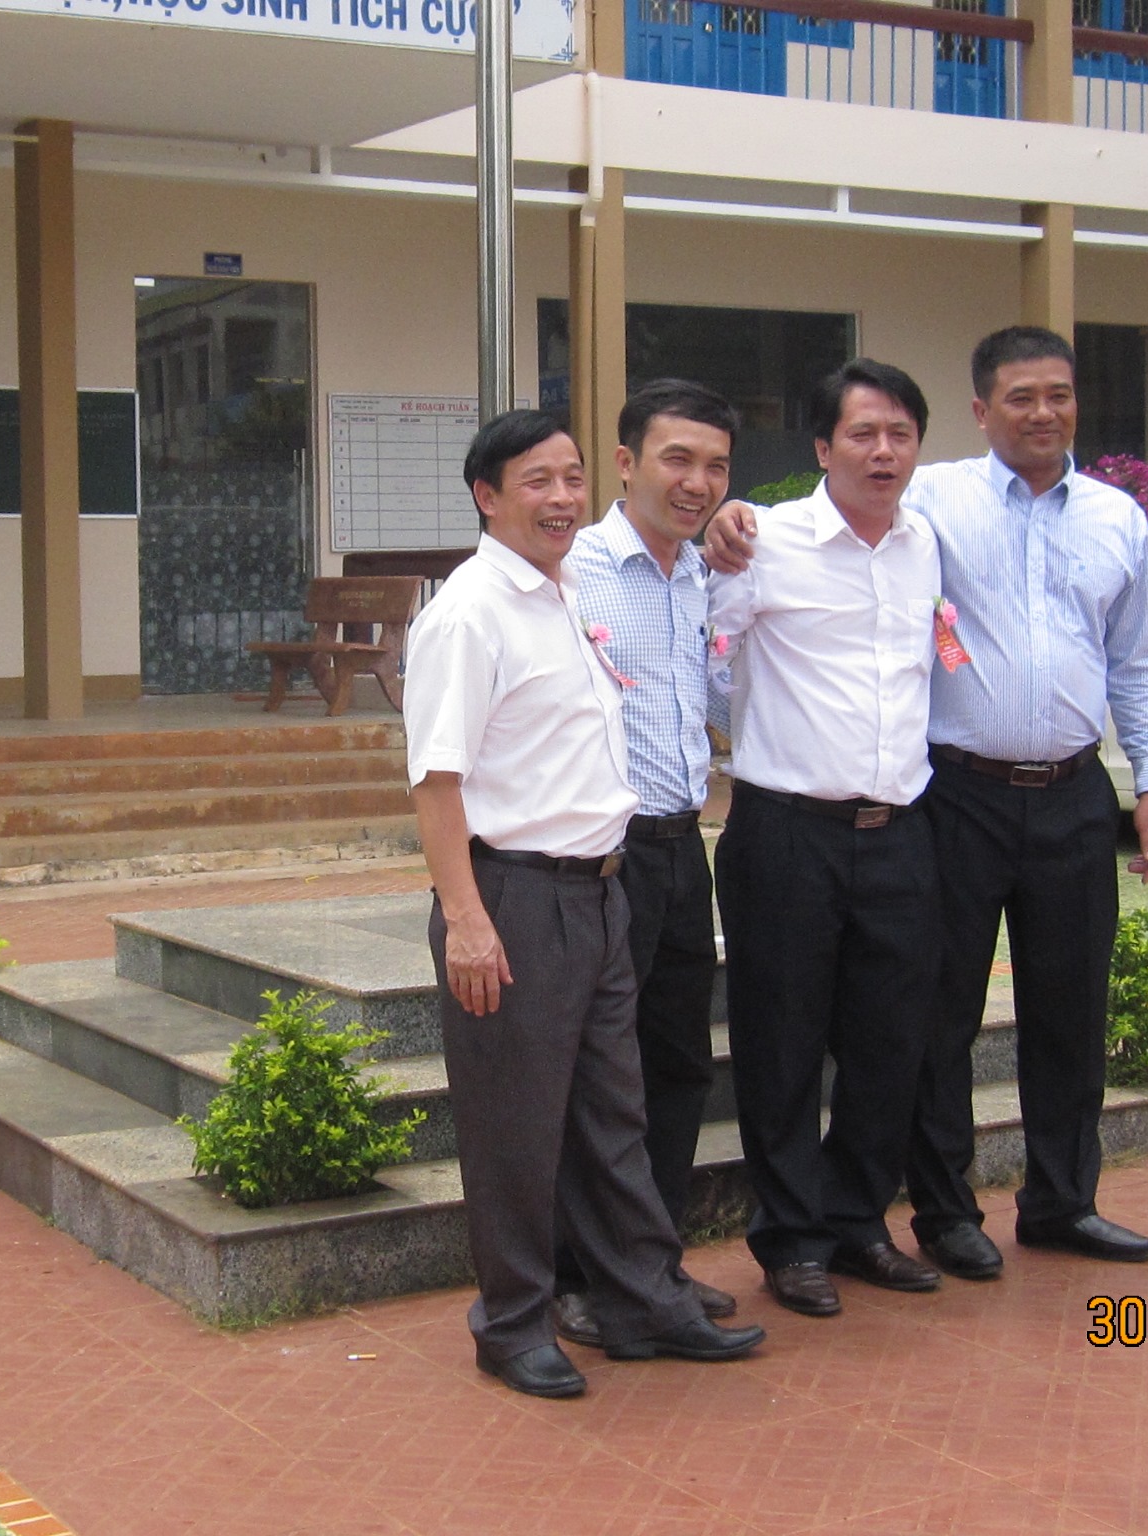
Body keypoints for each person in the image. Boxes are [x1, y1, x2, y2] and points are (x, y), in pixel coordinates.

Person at [706, 326, 1148, 1279]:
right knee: (920, 1023)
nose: (1041, 413)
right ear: (981, 410)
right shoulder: (910, 506)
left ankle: (1056, 1202)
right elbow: (729, 627)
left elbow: (1140, 658)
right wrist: (728, 520)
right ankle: (931, 1213)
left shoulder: (1100, 520)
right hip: (944, 798)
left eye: (1058, 395)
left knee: (1046, 1014)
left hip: (1058, 795)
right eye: (1020, 397)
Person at [403, 408, 765, 1399]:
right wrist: (466, 920)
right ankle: (512, 1323)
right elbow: (436, 782)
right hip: (515, 898)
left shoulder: (563, 593)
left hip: (599, 893)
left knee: (614, 1115)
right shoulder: (469, 613)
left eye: (571, 479)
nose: (562, 498)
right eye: (538, 482)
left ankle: (643, 1299)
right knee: (515, 1131)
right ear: (487, 497)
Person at [706, 360, 947, 1319]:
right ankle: (791, 1239)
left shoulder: (927, 544)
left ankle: (857, 1223)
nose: (883, 452)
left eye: (900, 434)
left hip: (901, 833)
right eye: (862, 434)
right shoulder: (764, 543)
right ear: (822, 447)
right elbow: (703, 650)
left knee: (891, 1042)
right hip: (787, 833)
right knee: (782, 1043)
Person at [553, 379, 744, 1348]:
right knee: (598, 1075)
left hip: (679, 849)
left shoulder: (704, 575)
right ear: (625, 463)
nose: (696, 482)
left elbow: (719, 697)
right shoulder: (572, 571)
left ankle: (652, 1260)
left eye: (714, 466)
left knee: (675, 1066)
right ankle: (579, 1277)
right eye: (677, 459)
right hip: (599, 859)